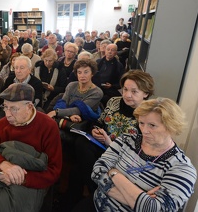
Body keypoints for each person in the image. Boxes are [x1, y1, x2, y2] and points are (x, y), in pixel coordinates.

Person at [0, 83, 62, 212]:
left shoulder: (48, 126)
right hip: (2, 174)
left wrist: (21, 178)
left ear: (29, 107)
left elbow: (53, 170)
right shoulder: (1, 125)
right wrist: (4, 165)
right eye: (5, 107)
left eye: (14, 109)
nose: (7, 114)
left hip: (33, 180)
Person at [84, 98, 197, 211]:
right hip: (96, 203)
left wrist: (114, 173)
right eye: (141, 123)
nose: (144, 130)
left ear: (171, 126)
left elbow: (157, 209)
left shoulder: (181, 167)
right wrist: (139, 200)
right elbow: (97, 172)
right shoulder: (126, 140)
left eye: (152, 125)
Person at [65, 70, 155, 210]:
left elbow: (139, 152)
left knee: (78, 170)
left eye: (134, 91)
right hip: (101, 147)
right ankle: (85, 197)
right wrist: (96, 130)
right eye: (125, 89)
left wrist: (110, 143)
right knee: (81, 144)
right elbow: (100, 122)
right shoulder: (114, 101)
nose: (127, 95)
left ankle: (96, 192)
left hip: (123, 159)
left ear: (146, 94)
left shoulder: (148, 116)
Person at [47, 59, 102, 123]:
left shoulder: (97, 92)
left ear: (92, 73)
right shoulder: (71, 85)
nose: (82, 75)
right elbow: (63, 102)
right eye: (79, 72)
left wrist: (56, 112)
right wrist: (70, 116)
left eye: (86, 72)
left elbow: (81, 109)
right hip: (65, 117)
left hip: (86, 122)